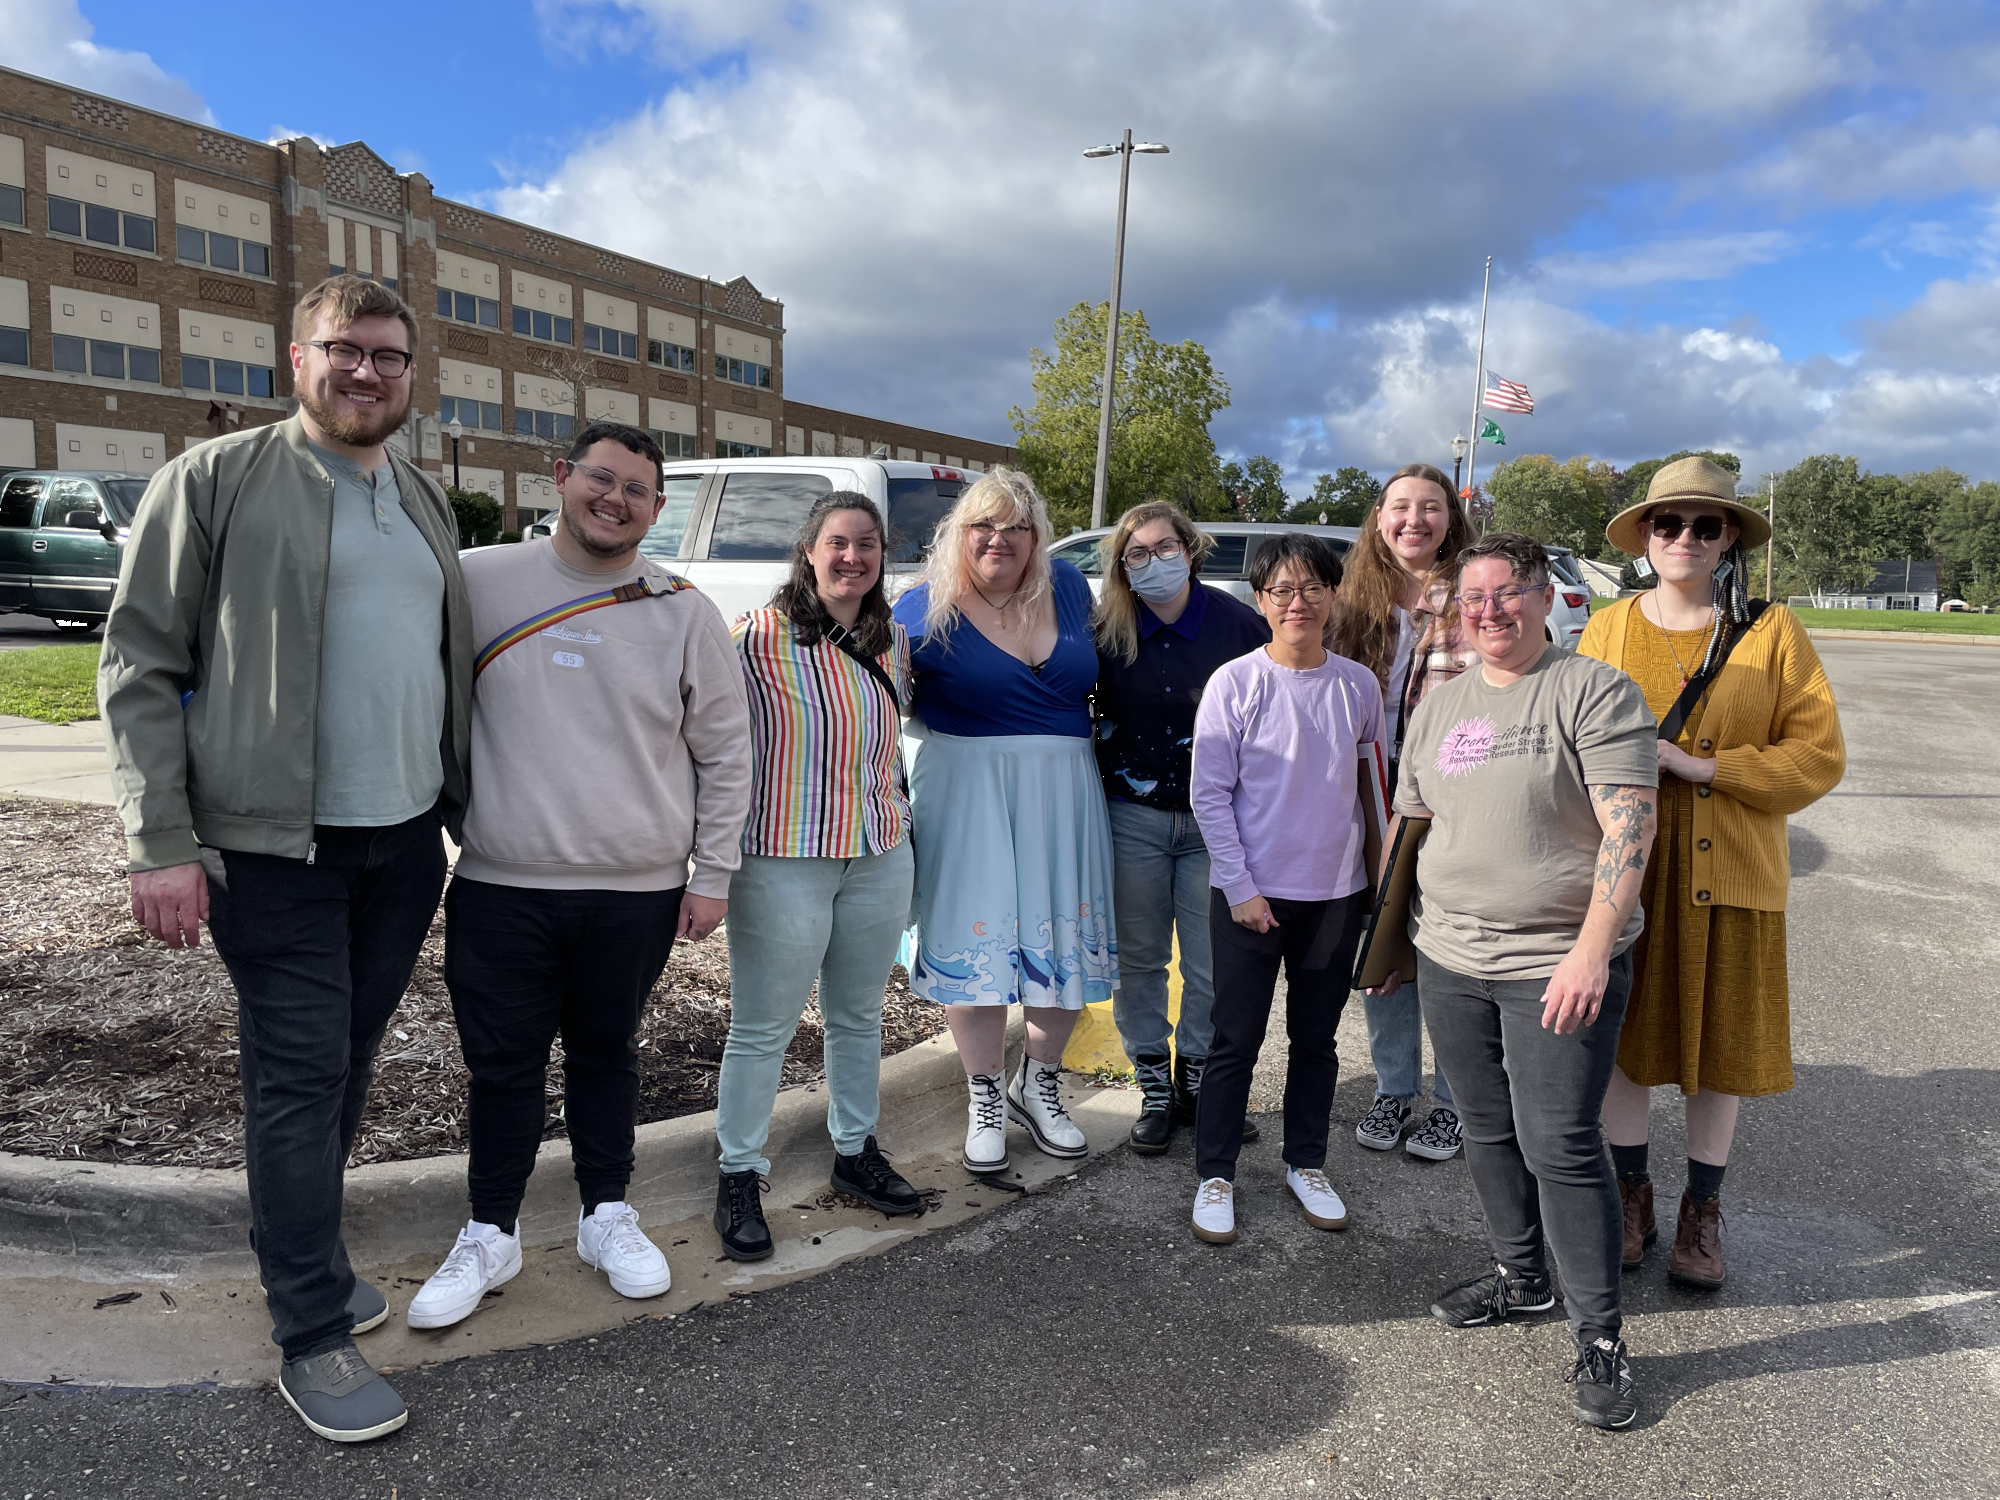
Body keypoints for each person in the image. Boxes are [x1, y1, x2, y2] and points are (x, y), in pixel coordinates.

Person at [98, 276, 471, 1442]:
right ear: (295, 358)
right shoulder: (213, 481)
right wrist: (158, 841)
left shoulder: (421, 497)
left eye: (389, 357)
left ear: (413, 374)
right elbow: (139, 664)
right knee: (299, 1075)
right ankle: (311, 1328)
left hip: (405, 845)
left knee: (347, 1067)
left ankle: (301, 1252)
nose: (367, 373)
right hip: (273, 853)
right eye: (345, 351)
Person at [404, 422, 752, 1329]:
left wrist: (711, 873)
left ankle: (607, 1214)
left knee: (608, 1056)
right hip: (500, 881)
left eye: (637, 489)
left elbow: (726, 752)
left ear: (658, 508)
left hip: (634, 890)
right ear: (560, 478)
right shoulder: (478, 581)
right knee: (503, 1067)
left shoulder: (683, 608)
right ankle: (492, 1230)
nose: (615, 499)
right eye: (601, 478)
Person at [1390, 531, 1658, 1430]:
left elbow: (1631, 827)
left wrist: (1592, 949)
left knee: (1561, 1145)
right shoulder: (1441, 705)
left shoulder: (1594, 692)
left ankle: (1601, 1336)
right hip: (1450, 956)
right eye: (1474, 598)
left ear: (1545, 598)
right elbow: (1413, 830)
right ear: (1456, 611)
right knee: (1486, 1128)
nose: (1491, 610)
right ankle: (1522, 1277)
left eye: (1509, 593)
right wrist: (1388, 944)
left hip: (1558, 963)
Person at [1582, 457, 1844, 1288]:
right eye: (1669, 524)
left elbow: (1818, 756)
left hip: (1729, 872)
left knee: (1718, 1048)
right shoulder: (1606, 628)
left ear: (1730, 536)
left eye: (1706, 524)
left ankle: (1703, 1210)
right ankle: (1632, 1196)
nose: (1686, 538)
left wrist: (1706, 769)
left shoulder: (1773, 633)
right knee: (1622, 1044)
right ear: (1647, 537)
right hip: (1630, 872)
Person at [711, 492, 923, 1262]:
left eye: (867, 545)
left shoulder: (895, 643)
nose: (852, 558)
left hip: (877, 854)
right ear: (809, 550)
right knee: (763, 1027)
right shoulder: (754, 637)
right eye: (838, 543)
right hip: (782, 857)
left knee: (858, 1017)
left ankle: (856, 1149)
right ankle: (738, 1172)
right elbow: (703, 737)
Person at [892, 467, 1117, 1173]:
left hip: (1065, 790)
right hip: (965, 790)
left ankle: (1039, 1086)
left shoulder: (1071, 589)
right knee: (975, 943)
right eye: (982, 526)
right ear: (959, 534)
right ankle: (985, 1094)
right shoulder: (921, 609)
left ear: (1037, 536)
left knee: (1064, 937)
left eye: (1016, 526)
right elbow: (870, 700)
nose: (1000, 539)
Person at [1187, 535, 1381, 1245]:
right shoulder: (1236, 683)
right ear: (1261, 600)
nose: (1297, 602)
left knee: (1316, 1040)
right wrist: (1240, 886)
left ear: (1333, 595)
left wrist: (1375, 886)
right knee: (1235, 1037)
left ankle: (1307, 1163)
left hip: (1334, 894)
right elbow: (1210, 795)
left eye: (1311, 588)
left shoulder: (1359, 685)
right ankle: (1215, 1173)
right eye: (1281, 590)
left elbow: (1371, 791)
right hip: (1250, 896)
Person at [1089, 501, 1269, 1153]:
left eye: (1165, 549)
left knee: (1212, 963)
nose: (1152, 563)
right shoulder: (1107, 631)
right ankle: (1154, 1085)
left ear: (1191, 552)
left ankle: (1197, 1083)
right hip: (1131, 820)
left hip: (1214, 825)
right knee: (1139, 961)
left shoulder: (1240, 625)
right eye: (1136, 554)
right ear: (1121, 566)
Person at [1329, 462, 1477, 1161]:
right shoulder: (1349, 598)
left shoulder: (1473, 594)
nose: (1414, 520)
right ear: (1378, 517)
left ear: (1451, 518)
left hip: (1453, 792)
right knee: (1380, 940)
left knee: (1447, 946)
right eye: (1400, 507)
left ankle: (1454, 1100)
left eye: (1430, 507)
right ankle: (1394, 1086)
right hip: (1367, 791)